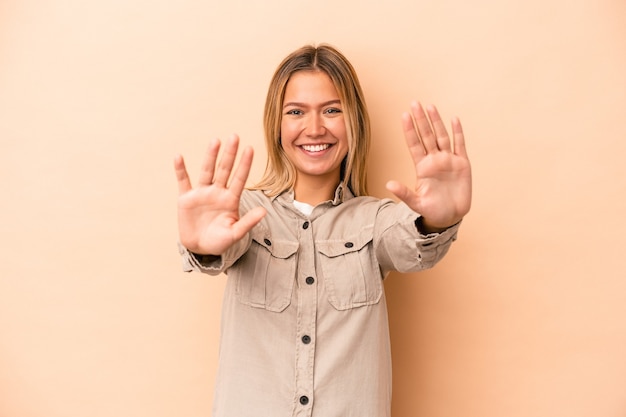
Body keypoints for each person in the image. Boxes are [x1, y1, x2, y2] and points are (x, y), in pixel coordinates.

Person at [174, 44, 472, 417]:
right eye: (296, 112)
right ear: (277, 125)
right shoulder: (245, 213)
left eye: (332, 110)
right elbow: (218, 250)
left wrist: (438, 220)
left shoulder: (374, 220)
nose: (314, 128)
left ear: (354, 123)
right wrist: (203, 248)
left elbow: (411, 242)